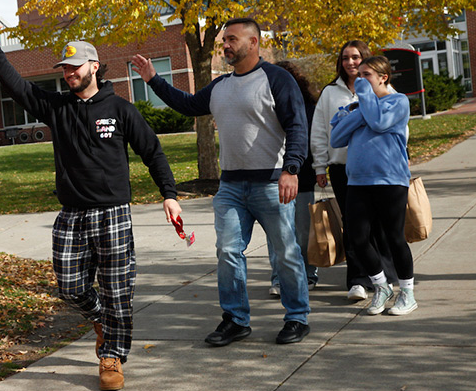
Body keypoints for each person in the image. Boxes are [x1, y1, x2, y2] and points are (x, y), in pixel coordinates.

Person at [0, 7, 182, 391]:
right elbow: (18, 87)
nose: (69, 74)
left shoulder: (121, 109)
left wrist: (169, 196)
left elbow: (152, 151)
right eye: (65, 69)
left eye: (75, 68)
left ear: (94, 65)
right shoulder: (58, 108)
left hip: (113, 213)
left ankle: (112, 357)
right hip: (72, 214)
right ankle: (103, 319)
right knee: (70, 287)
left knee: (118, 288)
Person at [131, 17, 311, 347]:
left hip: (271, 184)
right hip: (230, 188)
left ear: (253, 43)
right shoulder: (220, 87)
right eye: (223, 41)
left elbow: (298, 126)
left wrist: (292, 169)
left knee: (285, 254)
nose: (225, 45)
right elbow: (186, 104)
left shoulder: (277, 80)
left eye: (231, 39)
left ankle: (297, 317)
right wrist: (153, 79)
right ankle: (235, 320)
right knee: (228, 252)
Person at [309, 40, 398, 302]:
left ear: (366, 60)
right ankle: (358, 280)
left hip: (378, 169)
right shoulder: (330, 93)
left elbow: (395, 128)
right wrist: (319, 165)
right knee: (354, 226)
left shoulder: (383, 89)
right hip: (343, 170)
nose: (350, 62)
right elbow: (320, 131)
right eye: (346, 58)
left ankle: (386, 276)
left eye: (356, 57)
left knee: (381, 224)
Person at [330, 55, 416, 316]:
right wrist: (362, 111)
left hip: (390, 180)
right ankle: (381, 286)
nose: (360, 79)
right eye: (359, 76)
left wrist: (362, 106)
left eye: (367, 75)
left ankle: (408, 293)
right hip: (357, 181)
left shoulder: (398, 101)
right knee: (357, 239)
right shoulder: (359, 107)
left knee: (394, 238)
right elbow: (336, 138)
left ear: (383, 77)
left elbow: (379, 122)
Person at [269, 61, 319, 297]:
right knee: (276, 232)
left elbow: (314, 139)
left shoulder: (308, 106)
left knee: (303, 230)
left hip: (304, 176)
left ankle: (308, 273)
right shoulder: (265, 104)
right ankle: (279, 278)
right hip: (271, 177)